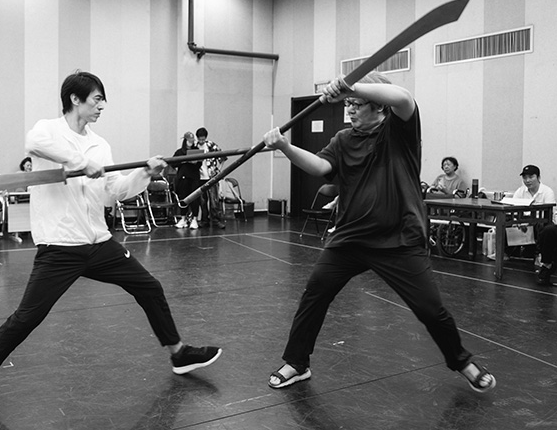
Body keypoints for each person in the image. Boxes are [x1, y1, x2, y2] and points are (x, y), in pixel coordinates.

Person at [0, 72, 222, 414]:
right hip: (60, 247)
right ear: (75, 99)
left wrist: (145, 173)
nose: (102, 106)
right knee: (27, 317)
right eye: (97, 98)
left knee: (149, 287)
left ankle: (179, 353)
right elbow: (34, 144)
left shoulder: (101, 145)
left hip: (99, 243)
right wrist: (81, 163)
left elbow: (116, 191)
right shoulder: (48, 130)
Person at [262, 72, 496, 393]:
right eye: (348, 104)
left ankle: (462, 361)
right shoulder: (343, 139)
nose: (350, 110)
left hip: (399, 240)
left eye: (356, 104)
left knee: (430, 310)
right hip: (350, 238)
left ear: (378, 106)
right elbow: (320, 168)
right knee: (314, 295)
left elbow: (404, 99)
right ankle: (297, 363)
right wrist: (285, 147)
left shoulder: (399, 131)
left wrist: (352, 86)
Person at [511, 165, 557, 285]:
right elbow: (514, 209)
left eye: (531, 177)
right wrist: (519, 221)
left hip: (541, 221)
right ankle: (506, 253)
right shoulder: (520, 191)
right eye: (525, 178)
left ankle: (542, 258)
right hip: (524, 220)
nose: (527, 180)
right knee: (506, 223)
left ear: (538, 177)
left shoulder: (547, 192)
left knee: (544, 227)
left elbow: (549, 214)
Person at [196, 127, 227, 229]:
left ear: (206, 138)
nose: (201, 141)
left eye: (203, 139)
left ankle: (216, 220)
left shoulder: (211, 145)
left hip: (211, 177)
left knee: (214, 201)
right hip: (200, 178)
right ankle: (205, 220)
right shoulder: (195, 147)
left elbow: (223, 157)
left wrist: (218, 170)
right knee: (202, 201)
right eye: (200, 139)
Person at [173, 132, 201, 229]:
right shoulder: (179, 152)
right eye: (189, 141)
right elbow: (173, 163)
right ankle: (183, 218)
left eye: (192, 141)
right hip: (183, 177)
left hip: (194, 177)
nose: (191, 143)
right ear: (185, 141)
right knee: (183, 198)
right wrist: (183, 161)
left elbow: (199, 164)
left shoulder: (196, 150)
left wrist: (195, 162)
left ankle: (194, 219)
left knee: (195, 198)